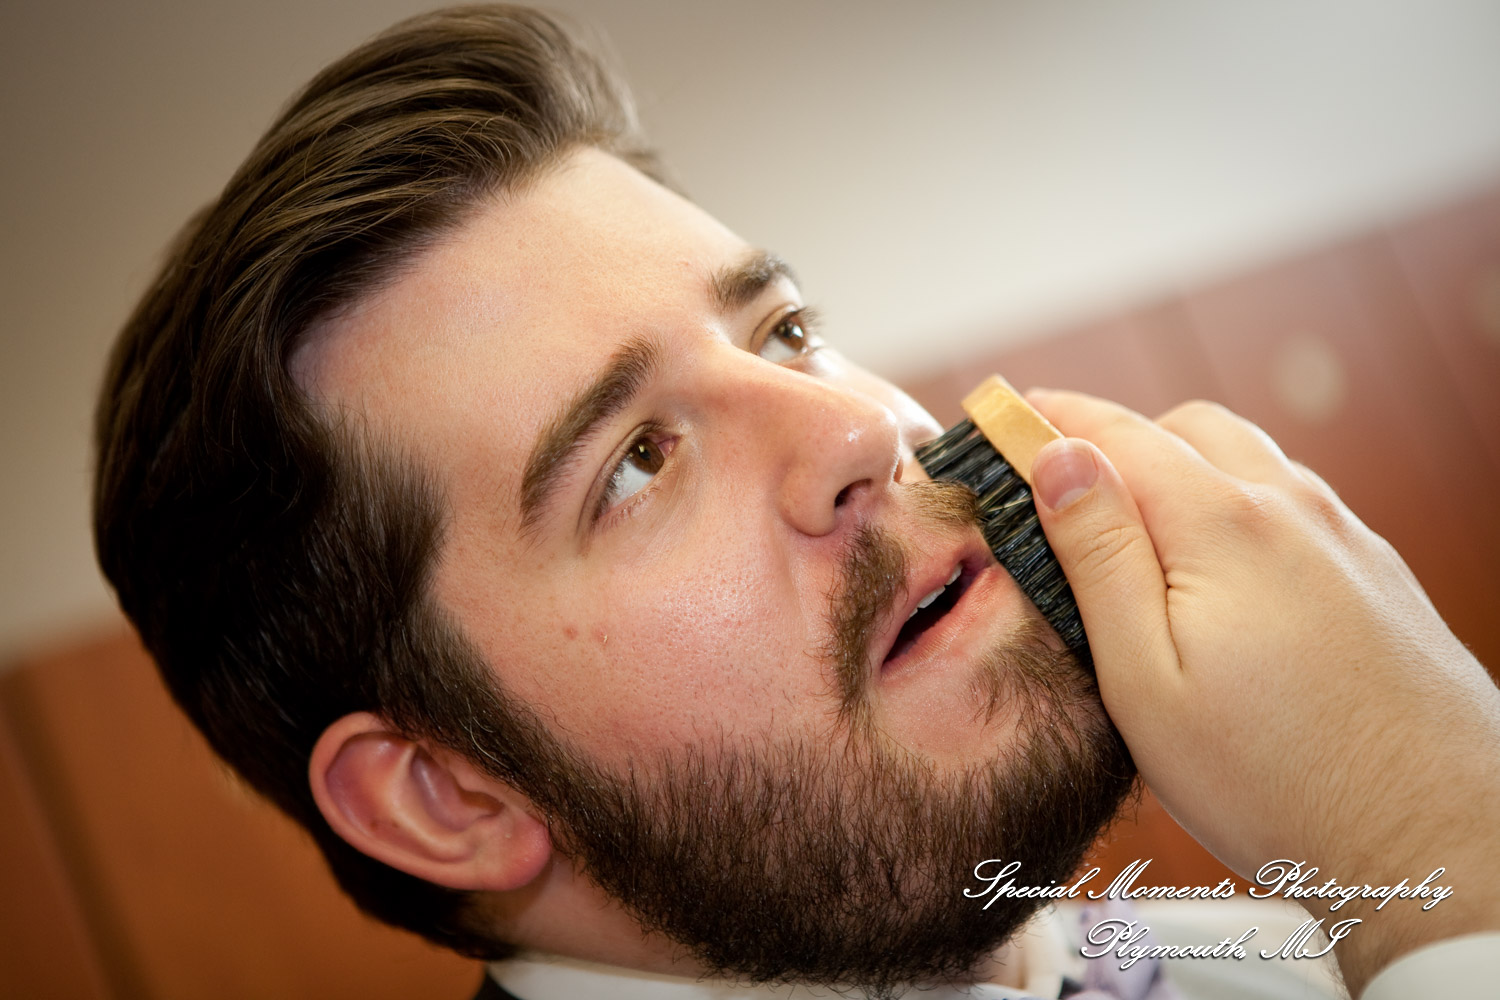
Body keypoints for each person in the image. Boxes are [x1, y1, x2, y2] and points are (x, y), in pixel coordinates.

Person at [92, 6, 1499, 999]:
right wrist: (1442, 836)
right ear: (446, 798)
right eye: (635, 460)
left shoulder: (1287, 953)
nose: (865, 427)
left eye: (782, 331)